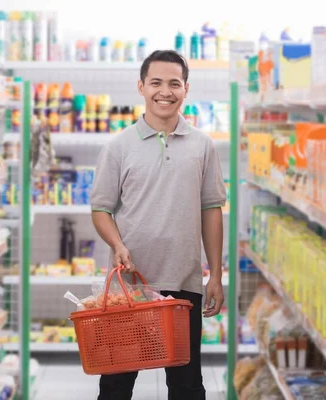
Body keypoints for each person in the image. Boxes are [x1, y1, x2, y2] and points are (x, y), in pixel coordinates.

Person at [90, 49, 227, 400]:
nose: (164, 91)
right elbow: (101, 209)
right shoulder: (118, 146)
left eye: (174, 83)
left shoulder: (202, 145)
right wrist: (118, 246)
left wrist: (215, 275)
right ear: (141, 86)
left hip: (184, 280)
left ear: (185, 90)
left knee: (186, 386)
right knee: (116, 386)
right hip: (129, 286)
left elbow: (211, 209)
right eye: (156, 83)